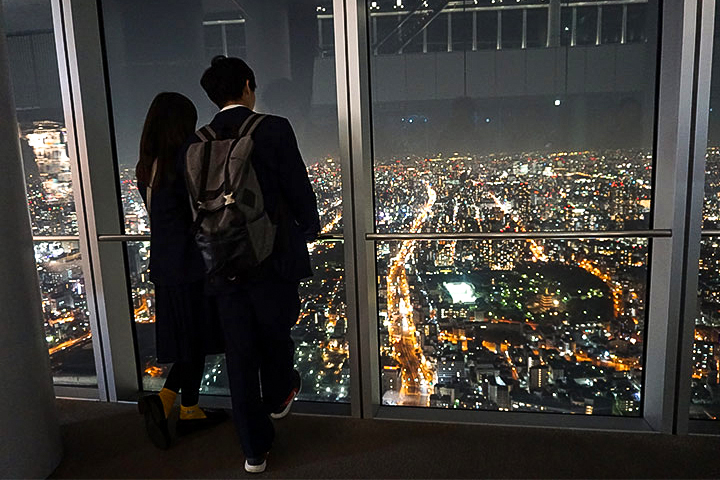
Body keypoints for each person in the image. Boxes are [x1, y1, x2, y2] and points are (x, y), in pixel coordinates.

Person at [191, 56, 320, 473]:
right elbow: (297, 187)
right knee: (276, 330)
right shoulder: (274, 129)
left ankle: (253, 449)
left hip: (221, 262)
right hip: (271, 257)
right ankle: (280, 394)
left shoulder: (196, 143)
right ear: (248, 86)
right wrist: (309, 228)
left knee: (239, 354)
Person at [135, 92, 226, 449]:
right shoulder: (183, 162)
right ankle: (165, 400)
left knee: (191, 339)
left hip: (166, 265)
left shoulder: (148, 166)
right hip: (192, 265)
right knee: (198, 338)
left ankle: (190, 410)